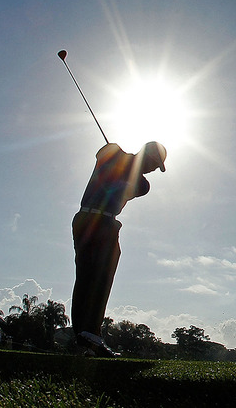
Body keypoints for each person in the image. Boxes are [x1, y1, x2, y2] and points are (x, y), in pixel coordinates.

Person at [71, 141, 167, 357]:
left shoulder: (142, 184)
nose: (152, 169)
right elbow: (102, 153)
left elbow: (127, 185)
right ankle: (89, 334)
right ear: (145, 154)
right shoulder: (114, 152)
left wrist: (123, 160)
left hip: (100, 222)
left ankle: (85, 338)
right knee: (93, 277)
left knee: (92, 278)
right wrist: (121, 157)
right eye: (153, 163)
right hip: (94, 221)